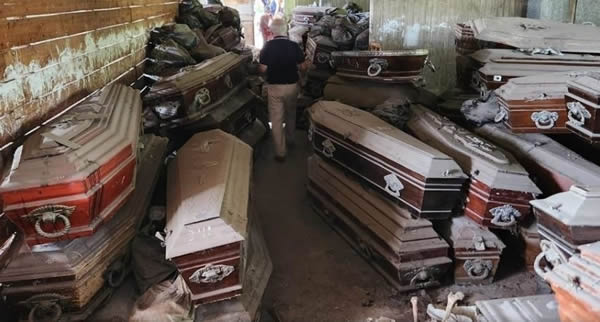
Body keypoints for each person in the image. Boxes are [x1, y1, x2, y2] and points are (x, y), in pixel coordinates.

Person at [259, 17, 309, 162]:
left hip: (274, 88)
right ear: (285, 30)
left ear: (272, 31)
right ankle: (291, 139)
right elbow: (303, 67)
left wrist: (261, 69)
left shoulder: (267, 47)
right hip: (292, 87)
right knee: (291, 113)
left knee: (276, 119)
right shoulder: (294, 46)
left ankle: (280, 152)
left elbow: (262, 69)